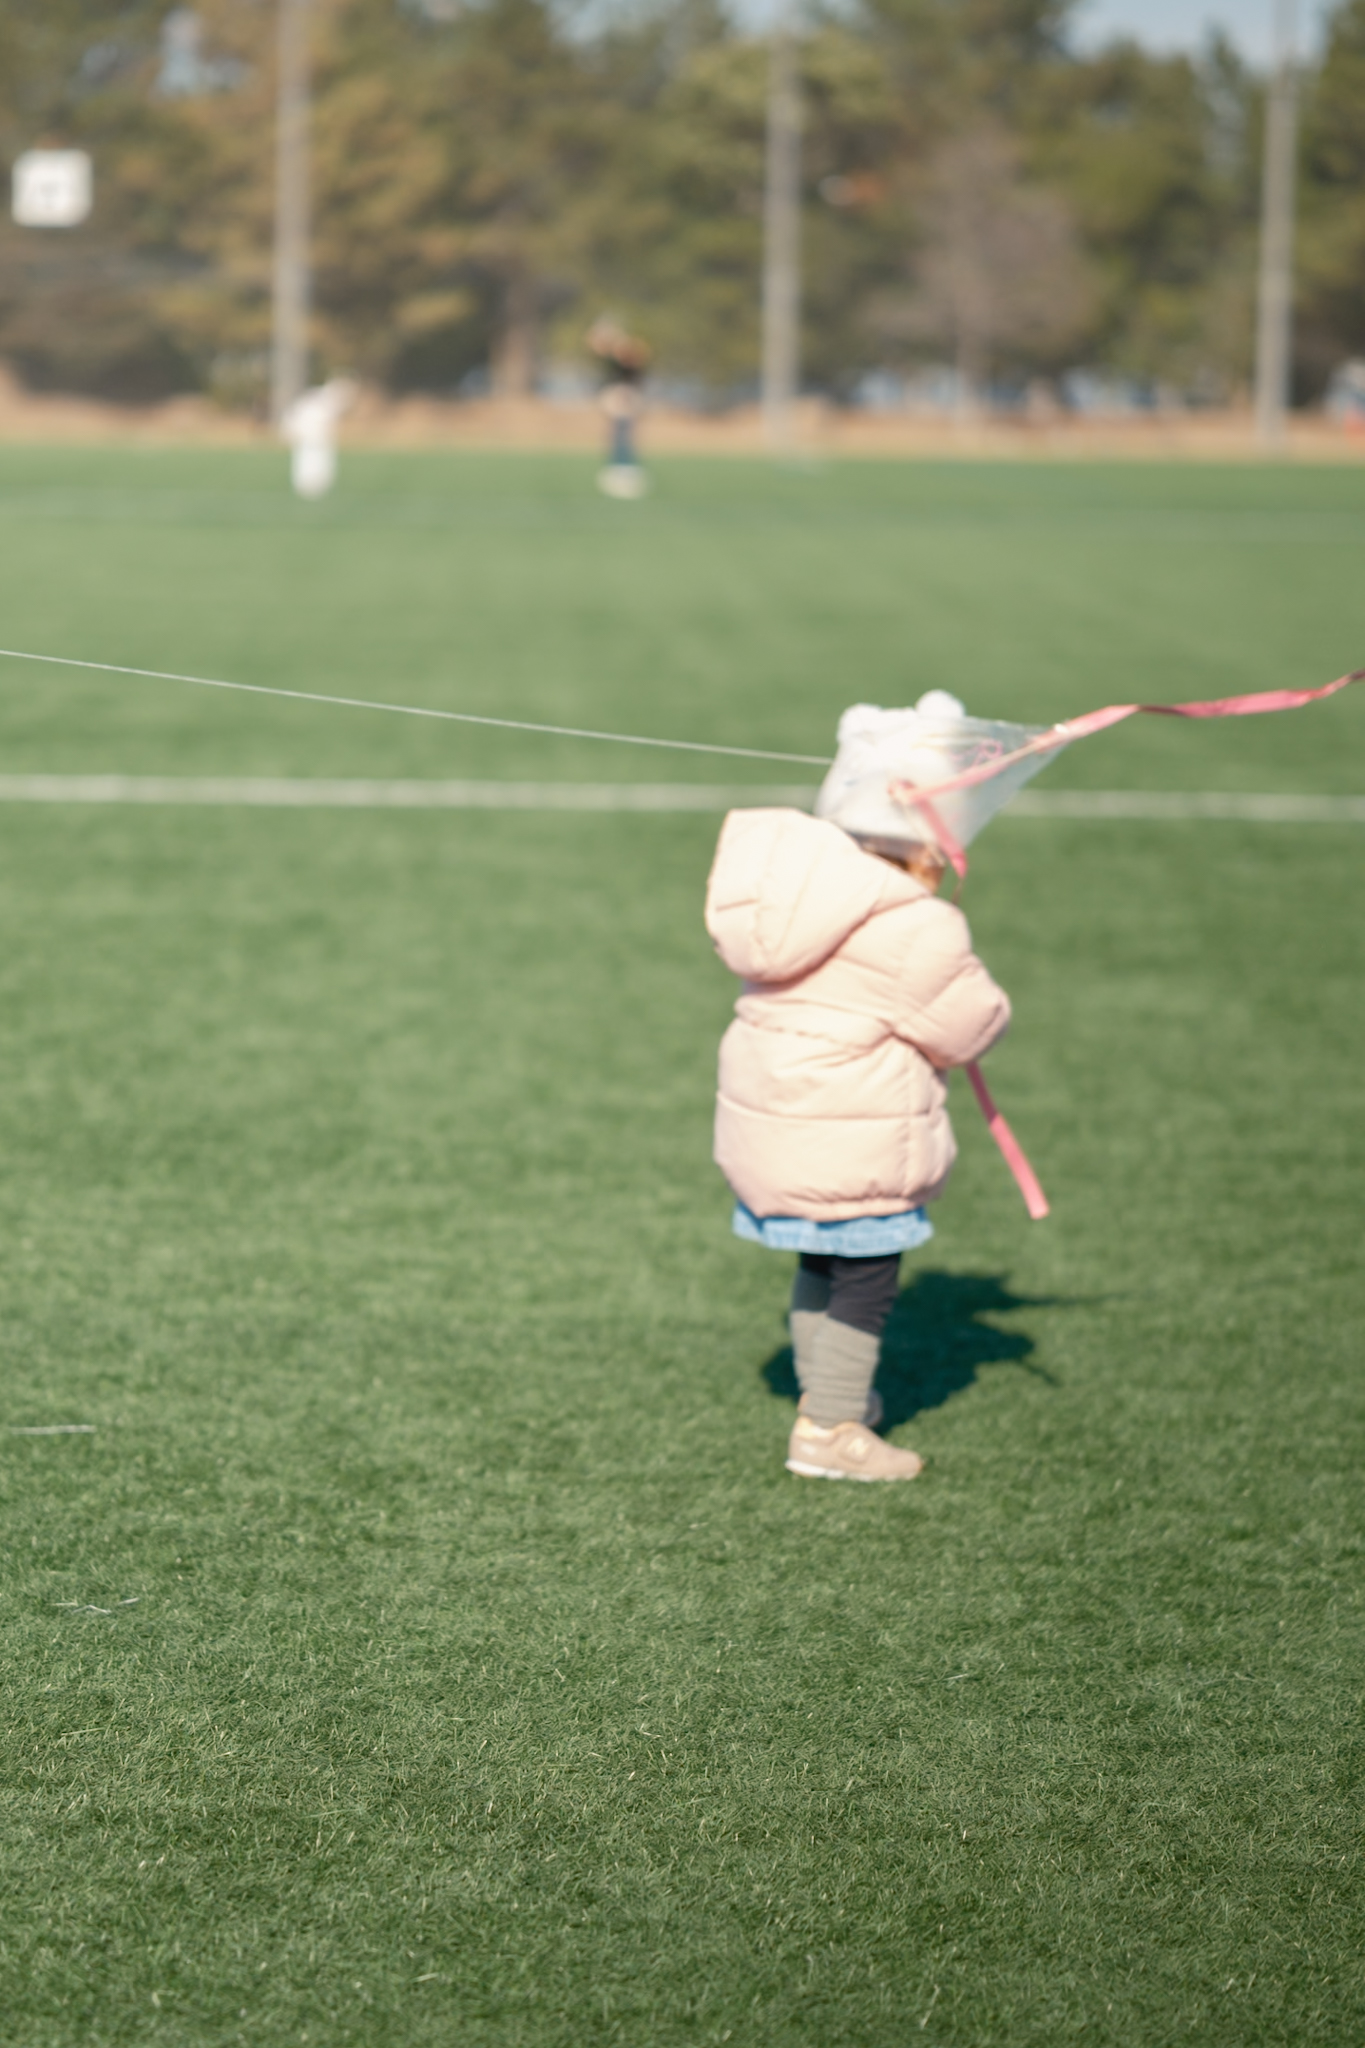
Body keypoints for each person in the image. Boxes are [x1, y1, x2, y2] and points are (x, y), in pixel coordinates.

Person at [704, 693, 1013, 1482]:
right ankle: (827, 1429)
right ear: (926, 845)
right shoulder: (914, 925)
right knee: (865, 1282)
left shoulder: (793, 898)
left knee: (821, 1261)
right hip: (854, 1134)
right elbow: (969, 1026)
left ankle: (828, 1395)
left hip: (777, 1126)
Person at [586, 317, 650, 500]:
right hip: (618, 394)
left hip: (626, 395)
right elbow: (595, 345)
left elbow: (636, 360)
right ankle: (618, 466)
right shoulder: (613, 357)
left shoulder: (629, 356)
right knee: (618, 432)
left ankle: (624, 466)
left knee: (624, 431)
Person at [280, 377, 356, 500]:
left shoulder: (323, 399)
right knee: (308, 460)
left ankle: (318, 485)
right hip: (309, 436)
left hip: (317, 437)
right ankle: (307, 485)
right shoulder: (320, 400)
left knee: (320, 461)